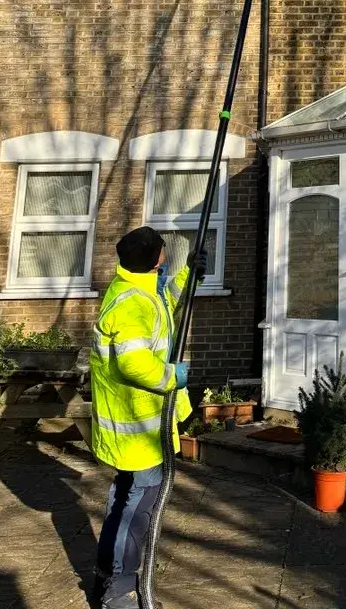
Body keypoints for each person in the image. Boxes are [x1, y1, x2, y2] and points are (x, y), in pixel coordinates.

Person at [90, 225, 207, 609]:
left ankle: (107, 576)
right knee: (137, 511)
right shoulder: (132, 303)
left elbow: (166, 300)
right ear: (156, 258)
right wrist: (175, 376)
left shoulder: (136, 287)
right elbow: (135, 363)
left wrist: (190, 273)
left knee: (123, 500)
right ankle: (118, 592)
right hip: (138, 427)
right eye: (163, 252)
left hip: (136, 425)